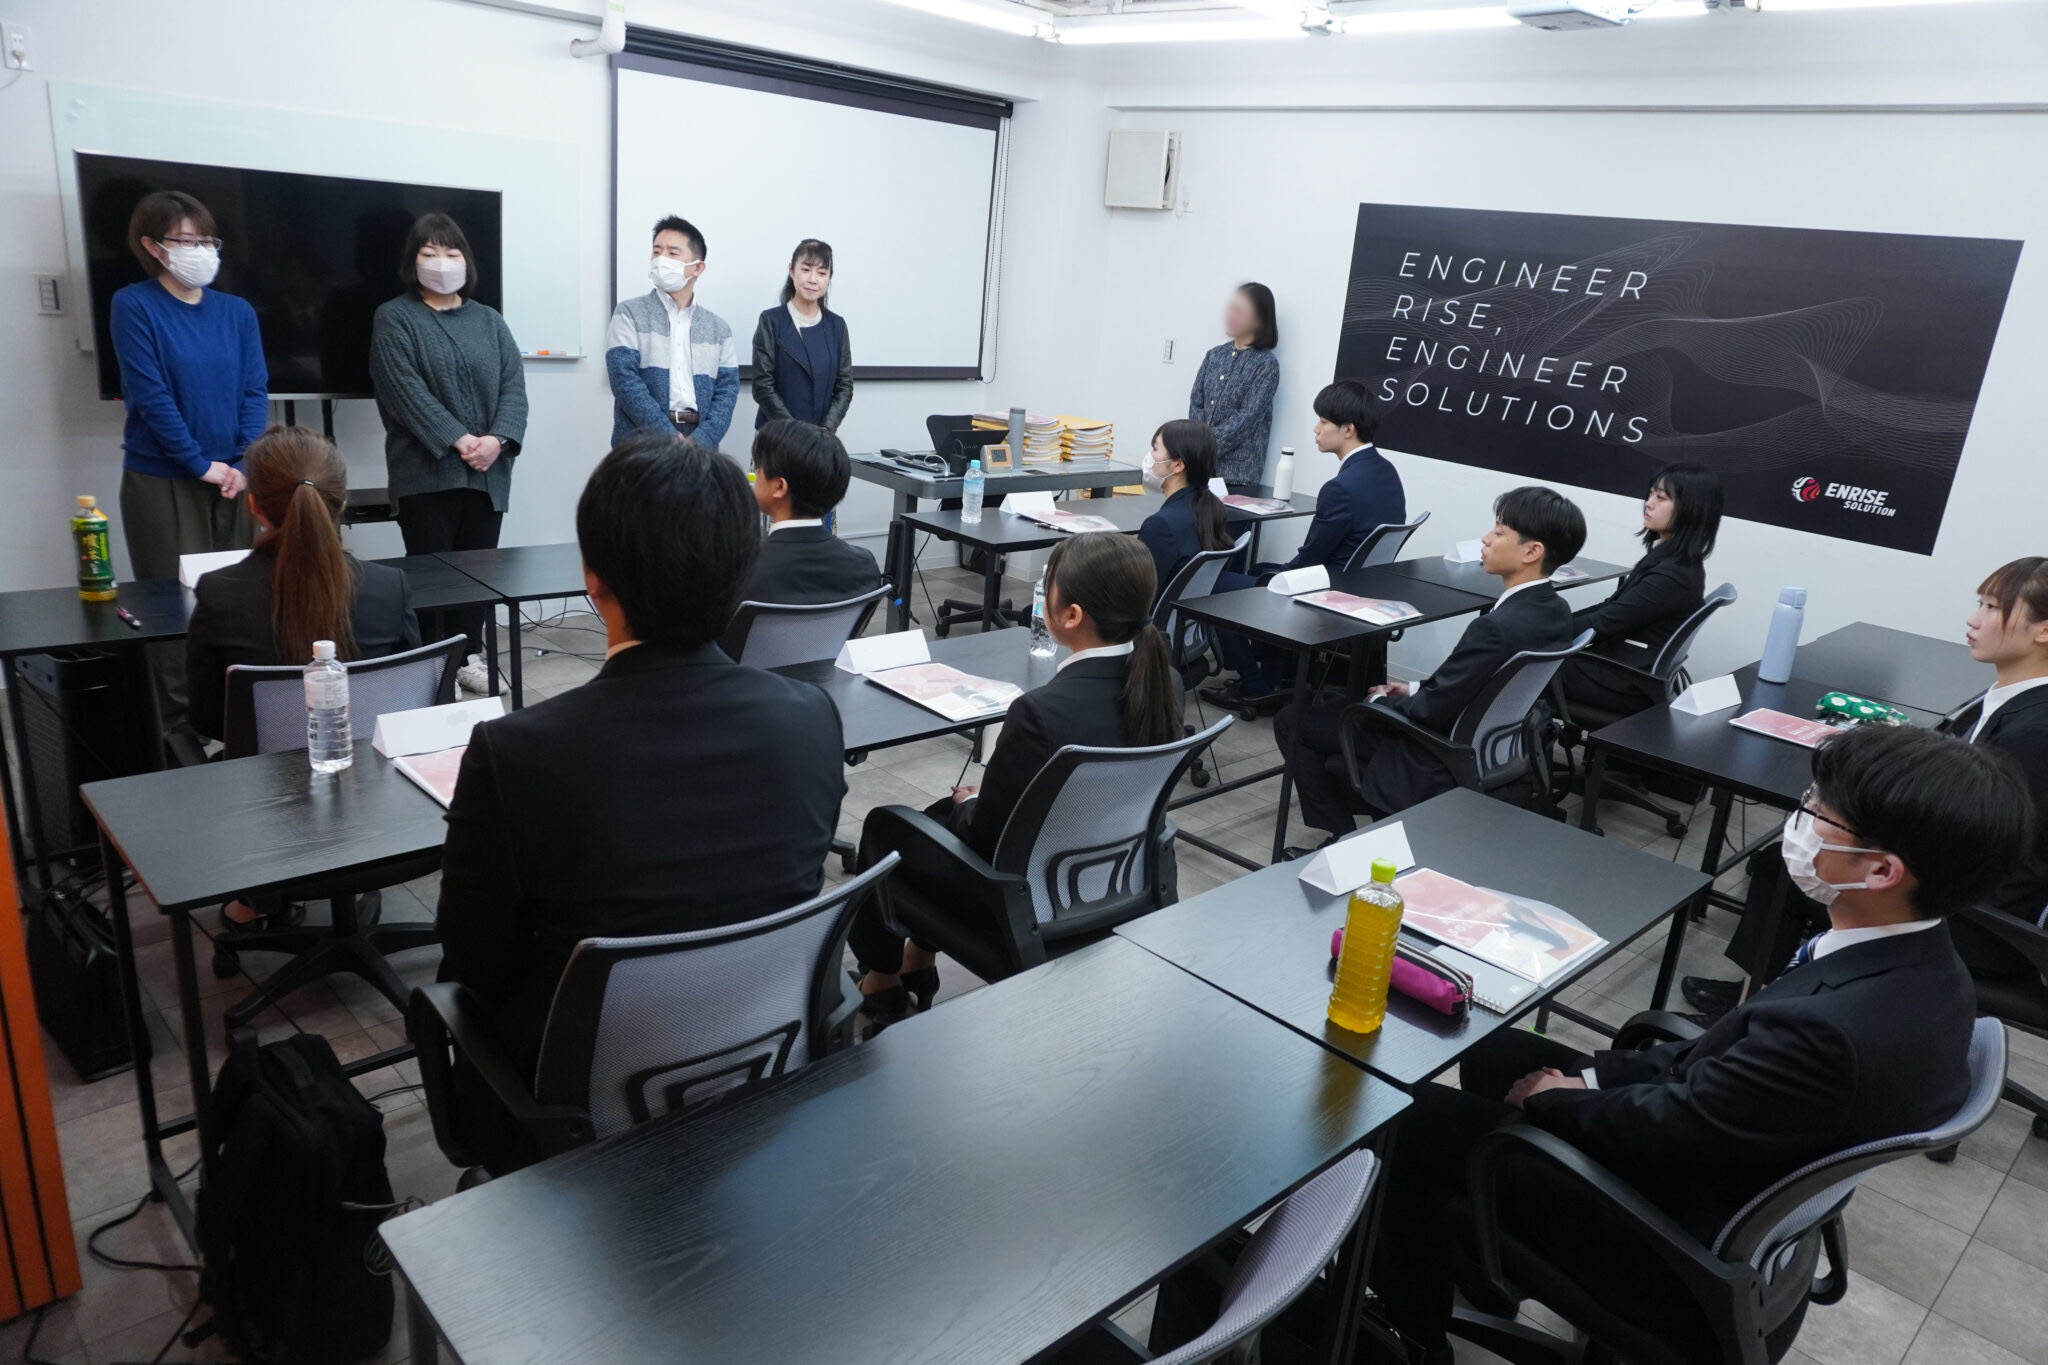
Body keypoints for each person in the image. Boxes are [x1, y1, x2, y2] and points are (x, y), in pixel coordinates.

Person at [1365, 723, 2031, 1364]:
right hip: (1728, 1159)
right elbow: (1717, 1073)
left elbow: (1671, 1128)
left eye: (1818, 812)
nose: (1799, 820)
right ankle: (1480, 1260)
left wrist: (1553, 1101)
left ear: (1882, 869)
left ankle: (1409, 1337)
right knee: (1498, 1051)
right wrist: (1587, 1081)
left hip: (1669, 1241)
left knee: (1409, 1121)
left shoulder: (1829, 1035)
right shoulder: (1928, 966)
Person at [435, 432, 845, 1104]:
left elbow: (476, 960)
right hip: (768, 1056)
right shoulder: (812, 718)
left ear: (593, 579)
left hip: (576, 1101)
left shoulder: (517, 753)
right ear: (742, 572)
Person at [846, 533, 1181, 1027]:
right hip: (1111, 876)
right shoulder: (1164, 685)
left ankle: (883, 979)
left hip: (1019, 901)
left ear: (1071, 616)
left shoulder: (1040, 713)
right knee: (939, 817)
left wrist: (971, 801)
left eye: (1048, 585)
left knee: (887, 828)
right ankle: (917, 960)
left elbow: (984, 839)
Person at [184, 427, 420, 929]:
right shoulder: (389, 587)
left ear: (253, 505)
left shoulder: (219, 592)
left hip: (264, 810)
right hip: (378, 798)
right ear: (341, 501)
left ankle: (259, 899)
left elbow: (208, 718)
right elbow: (411, 706)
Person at [1274, 486, 1583, 845]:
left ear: (1532, 551)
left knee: (1293, 720)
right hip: (1489, 748)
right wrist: (1413, 688)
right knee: (1335, 720)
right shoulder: (1556, 611)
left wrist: (1380, 702)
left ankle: (1341, 838)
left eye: (1499, 533)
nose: (1485, 539)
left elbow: (1429, 712)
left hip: (1435, 752)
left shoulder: (1494, 628)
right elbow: (1477, 685)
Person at [110, 189, 267, 730]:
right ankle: (182, 731)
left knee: (240, 601)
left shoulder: (237, 312)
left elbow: (254, 390)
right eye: (185, 240)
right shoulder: (134, 305)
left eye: (207, 240)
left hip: (235, 478)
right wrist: (199, 464)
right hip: (164, 481)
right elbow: (150, 396)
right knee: (174, 609)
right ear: (152, 246)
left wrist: (242, 461)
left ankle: (239, 721)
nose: (200, 251)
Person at [368, 212, 528, 690]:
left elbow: (513, 389)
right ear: (412, 261)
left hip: (488, 474)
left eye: (451, 252)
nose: (442, 262)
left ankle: (467, 656)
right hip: (425, 473)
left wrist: (496, 441)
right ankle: (432, 664)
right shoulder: (395, 317)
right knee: (432, 579)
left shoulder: (490, 320)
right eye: (429, 252)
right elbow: (405, 392)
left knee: (478, 576)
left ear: (467, 260)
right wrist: (461, 440)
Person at [1557, 463, 1723, 718]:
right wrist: (1553, 626)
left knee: (1516, 669)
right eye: (1651, 494)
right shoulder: (1671, 560)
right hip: (1622, 670)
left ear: (1691, 509)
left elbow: (1604, 623)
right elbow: (1610, 609)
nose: (1648, 503)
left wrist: (1543, 632)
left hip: (1623, 683)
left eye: (1661, 498)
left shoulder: (1673, 576)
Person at [718, 419, 881, 659]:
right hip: (824, 679)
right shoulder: (864, 566)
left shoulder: (738, 569)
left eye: (758, 469)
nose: (754, 476)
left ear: (779, 487)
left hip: (744, 681)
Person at [605, 215, 740, 450]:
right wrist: (668, 436)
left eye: (672, 253)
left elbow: (727, 392)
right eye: (656, 251)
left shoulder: (719, 328)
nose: (661, 259)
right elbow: (624, 381)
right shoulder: (629, 313)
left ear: (697, 267)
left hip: (700, 441)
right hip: (640, 441)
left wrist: (701, 441)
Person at [751, 239, 853, 433]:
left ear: (829, 278)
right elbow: (763, 386)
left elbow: (844, 387)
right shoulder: (771, 321)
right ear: (791, 270)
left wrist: (826, 429)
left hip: (821, 437)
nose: (813, 279)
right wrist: (795, 432)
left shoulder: (837, 326)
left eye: (821, 273)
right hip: (776, 435)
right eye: (806, 270)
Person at [1187, 283, 1280, 485]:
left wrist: (1203, 447)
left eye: (1239, 311)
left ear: (1258, 320)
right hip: (1200, 467)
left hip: (1237, 475)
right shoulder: (1214, 355)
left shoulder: (1266, 364)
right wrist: (1194, 444)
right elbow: (1196, 403)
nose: (1231, 315)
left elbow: (1246, 419)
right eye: (1231, 308)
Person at [1134, 418, 1239, 594]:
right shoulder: (1214, 508)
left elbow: (1139, 594)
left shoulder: (1160, 526)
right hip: (1189, 609)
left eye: (1155, 449)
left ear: (1178, 465)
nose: (1150, 456)